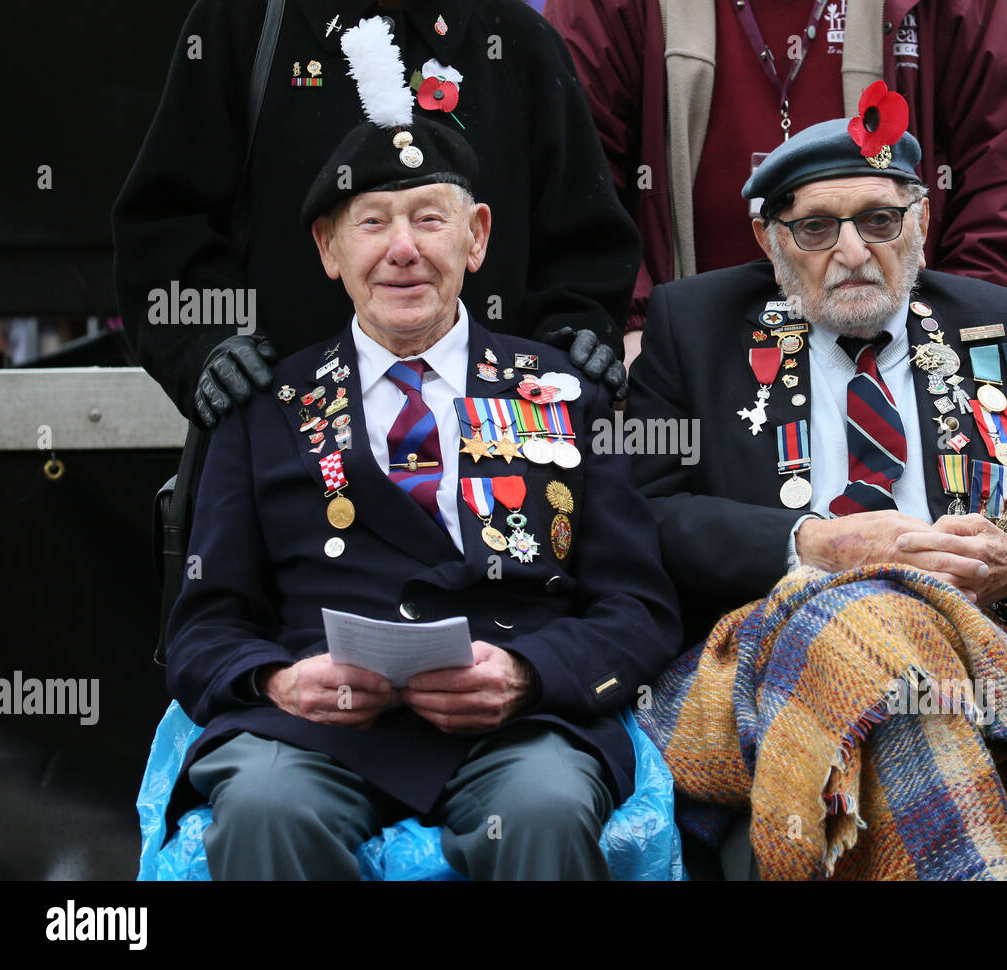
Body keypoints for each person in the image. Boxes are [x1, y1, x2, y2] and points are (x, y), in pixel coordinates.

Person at [162, 19, 681, 880]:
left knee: (546, 809)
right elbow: (205, 624)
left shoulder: (561, 394)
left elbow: (638, 606)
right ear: (329, 250)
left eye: (428, 219)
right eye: (372, 222)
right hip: (315, 730)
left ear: (475, 238)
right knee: (262, 807)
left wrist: (526, 671)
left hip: (519, 726)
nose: (402, 249)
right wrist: (280, 684)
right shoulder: (268, 409)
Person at [627, 94, 1007, 879]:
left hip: (981, 652)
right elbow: (644, 512)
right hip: (757, 662)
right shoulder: (695, 325)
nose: (852, 251)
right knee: (878, 630)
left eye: (879, 219)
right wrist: (811, 545)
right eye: (815, 227)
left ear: (921, 220)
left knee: (900, 669)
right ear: (768, 239)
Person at [113, 0, 639, 429]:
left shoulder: (519, 42)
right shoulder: (242, 25)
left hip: (495, 467)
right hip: (285, 458)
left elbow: (583, 244)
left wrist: (571, 338)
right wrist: (210, 343)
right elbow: (166, 226)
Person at [544, 0, 1007, 368]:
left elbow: (1006, 169)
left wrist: (960, 329)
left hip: (907, 353)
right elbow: (575, 174)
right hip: (684, 363)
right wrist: (629, 322)